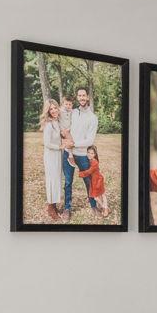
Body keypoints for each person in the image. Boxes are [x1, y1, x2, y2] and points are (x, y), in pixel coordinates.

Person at [62, 86, 102, 215]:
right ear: (77, 97)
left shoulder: (92, 118)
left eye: (84, 95)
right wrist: (67, 143)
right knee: (68, 182)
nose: (81, 98)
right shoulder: (72, 112)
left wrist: (73, 144)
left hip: (83, 155)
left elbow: (90, 141)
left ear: (88, 97)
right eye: (79, 95)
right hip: (68, 154)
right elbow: (64, 128)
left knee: (88, 180)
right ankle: (67, 208)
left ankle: (93, 205)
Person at [39, 99, 67, 221]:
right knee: (52, 181)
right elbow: (47, 143)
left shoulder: (57, 122)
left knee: (57, 180)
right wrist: (60, 146)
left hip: (57, 155)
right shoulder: (48, 124)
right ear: (48, 111)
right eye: (51, 109)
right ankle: (50, 208)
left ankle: (54, 205)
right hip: (51, 156)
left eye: (55, 107)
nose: (54, 110)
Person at [80, 145, 108, 215]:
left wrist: (80, 173)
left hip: (97, 180)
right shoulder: (89, 160)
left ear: (95, 154)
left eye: (92, 153)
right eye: (88, 152)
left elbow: (89, 171)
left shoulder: (94, 162)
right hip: (94, 181)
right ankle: (104, 207)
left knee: (99, 195)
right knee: (98, 196)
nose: (89, 154)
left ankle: (105, 208)